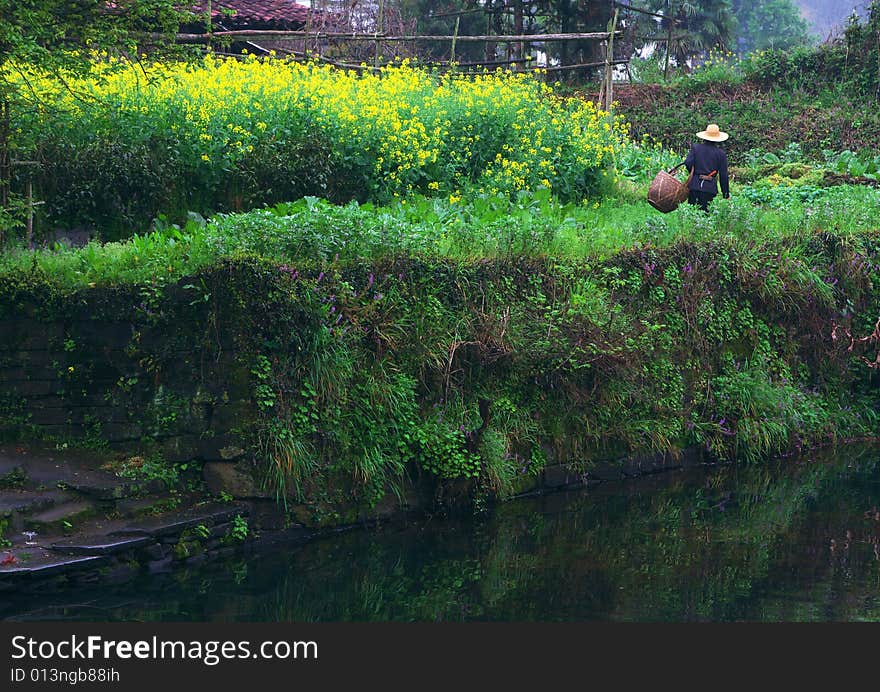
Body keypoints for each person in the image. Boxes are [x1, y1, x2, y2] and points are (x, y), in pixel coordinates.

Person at [684, 123, 730, 211]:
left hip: (694, 186)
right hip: (709, 188)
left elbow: (688, 163)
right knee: (705, 216)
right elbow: (723, 176)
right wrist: (726, 195)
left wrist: (694, 174)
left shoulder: (696, 148)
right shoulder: (721, 154)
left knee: (692, 213)